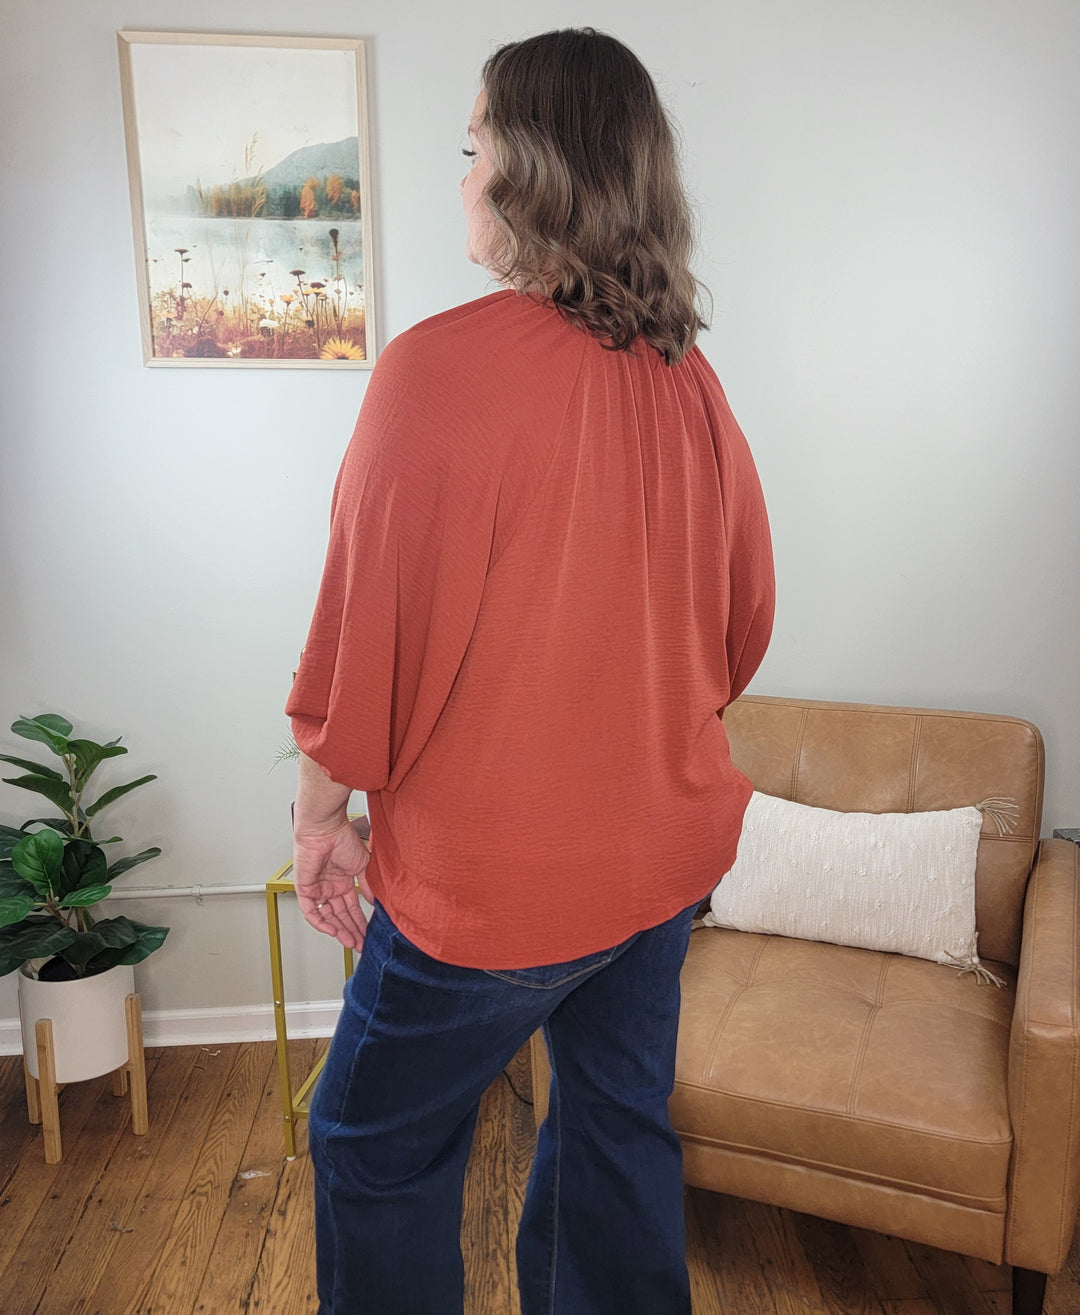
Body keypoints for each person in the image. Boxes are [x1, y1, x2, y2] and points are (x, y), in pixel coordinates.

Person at [286, 26, 774, 1315]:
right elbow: (741, 629)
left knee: (370, 1145)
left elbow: (362, 644)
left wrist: (321, 813)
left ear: (534, 171)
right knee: (615, 1133)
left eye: (472, 146)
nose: (460, 177)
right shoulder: (688, 377)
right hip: (659, 864)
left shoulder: (434, 375)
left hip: (492, 891)